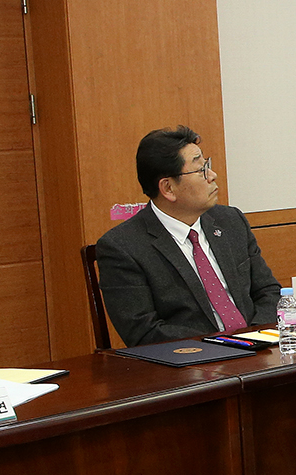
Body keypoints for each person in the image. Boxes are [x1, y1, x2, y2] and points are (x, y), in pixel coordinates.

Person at [95, 126, 283, 345]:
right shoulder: (122, 247)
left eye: (207, 166)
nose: (212, 176)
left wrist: (253, 339)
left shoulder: (230, 221)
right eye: (200, 170)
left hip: (257, 350)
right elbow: (143, 332)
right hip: (193, 366)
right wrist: (225, 346)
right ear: (168, 188)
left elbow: (269, 292)